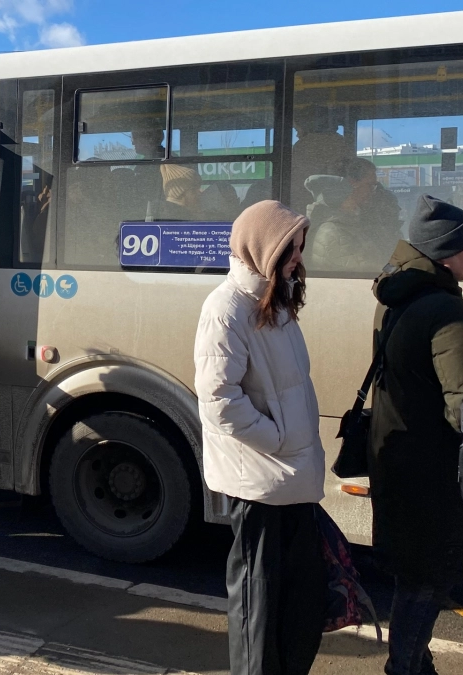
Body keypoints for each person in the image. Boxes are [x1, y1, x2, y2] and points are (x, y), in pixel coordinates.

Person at [193, 200, 326, 675]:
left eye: (299, 248)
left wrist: (292, 442)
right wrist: (278, 439)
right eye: (289, 249)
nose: (297, 258)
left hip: (292, 479)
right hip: (262, 484)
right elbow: (219, 399)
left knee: (301, 610)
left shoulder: (276, 300)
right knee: (259, 616)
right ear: (262, 249)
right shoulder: (226, 307)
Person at [368, 195, 463, 675]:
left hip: (396, 455)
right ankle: (404, 668)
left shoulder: (397, 296)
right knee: (428, 581)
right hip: (433, 472)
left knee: (414, 574)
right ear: (444, 254)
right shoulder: (449, 313)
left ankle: (417, 666)